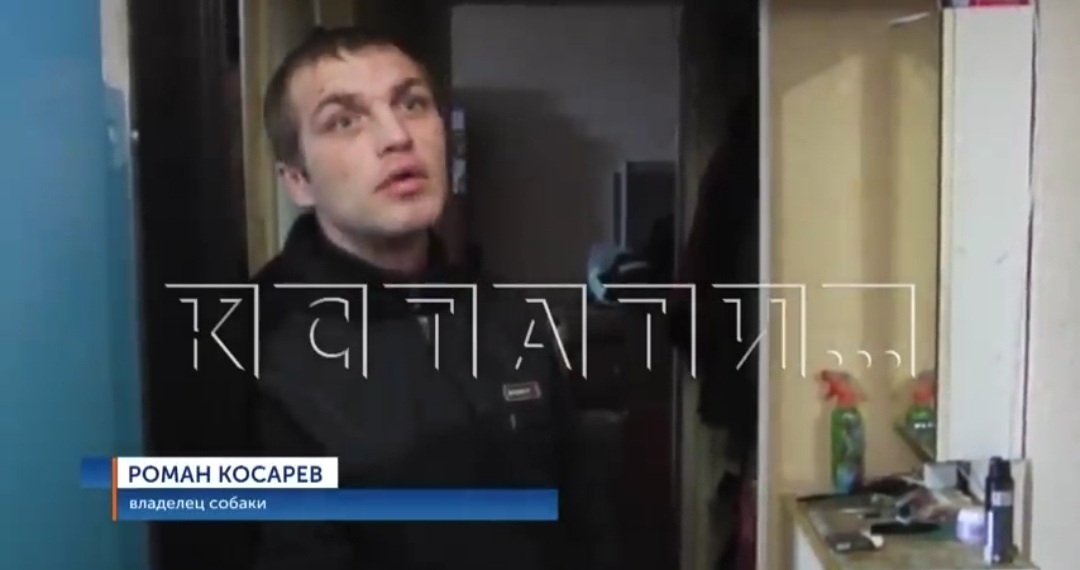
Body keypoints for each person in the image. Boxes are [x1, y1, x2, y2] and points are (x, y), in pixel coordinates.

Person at [248, 27, 606, 569]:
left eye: (412, 104)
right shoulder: (252, 344)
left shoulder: (510, 317)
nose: (397, 136)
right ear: (298, 180)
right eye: (344, 121)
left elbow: (582, 521)